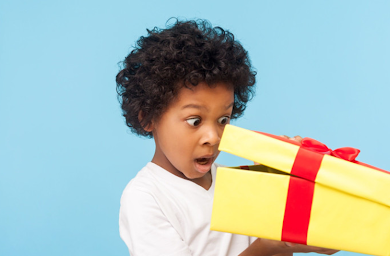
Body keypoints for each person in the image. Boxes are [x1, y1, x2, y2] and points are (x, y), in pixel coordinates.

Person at [116, 19, 339, 256]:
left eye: (223, 120)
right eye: (195, 121)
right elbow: (269, 246)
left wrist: (288, 182)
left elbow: (285, 246)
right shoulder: (145, 197)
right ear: (148, 118)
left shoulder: (237, 184)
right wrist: (267, 246)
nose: (213, 137)